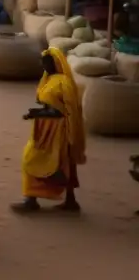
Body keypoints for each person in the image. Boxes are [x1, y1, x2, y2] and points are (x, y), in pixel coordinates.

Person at [13, 48, 86, 213]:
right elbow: (48, 105)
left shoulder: (63, 83)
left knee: (33, 159)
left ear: (55, 63)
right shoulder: (47, 80)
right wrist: (36, 113)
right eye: (43, 62)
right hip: (44, 127)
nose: (44, 65)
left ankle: (31, 200)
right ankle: (70, 200)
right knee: (63, 162)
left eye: (47, 62)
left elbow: (65, 111)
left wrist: (38, 114)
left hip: (58, 129)